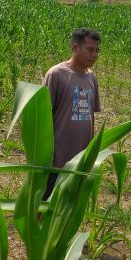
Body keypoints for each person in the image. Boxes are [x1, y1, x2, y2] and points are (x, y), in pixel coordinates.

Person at [41, 28, 102, 200]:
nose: (95, 55)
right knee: (45, 203)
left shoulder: (92, 78)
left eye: (97, 50)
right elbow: (43, 115)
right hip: (57, 160)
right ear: (75, 48)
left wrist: (90, 152)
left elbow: (91, 117)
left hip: (80, 159)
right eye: (90, 50)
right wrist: (44, 154)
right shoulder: (57, 74)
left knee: (68, 205)